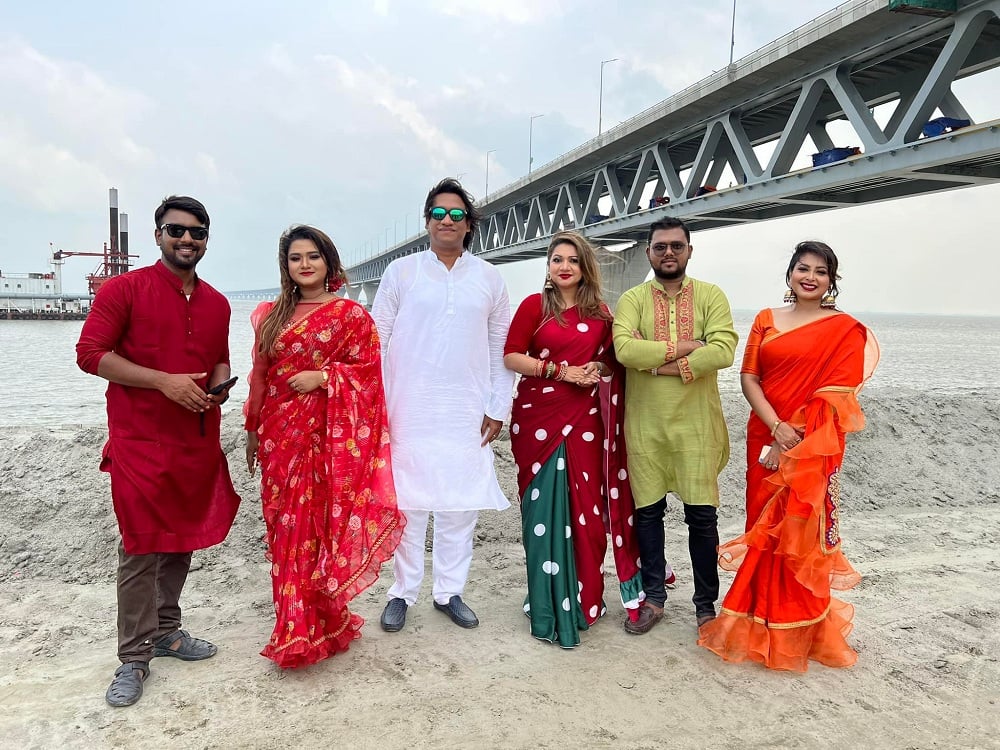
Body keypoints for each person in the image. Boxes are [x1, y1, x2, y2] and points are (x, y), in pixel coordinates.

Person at [76, 195, 241, 708]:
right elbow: (90, 354)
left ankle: (167, 630)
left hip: (195, 440)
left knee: (180, 540)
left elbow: (218, 358)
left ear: (207, 240)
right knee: (141, 545)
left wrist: (219, 387)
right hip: (139, 442)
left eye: (197, 232)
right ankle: (133, 657)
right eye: (176, 230)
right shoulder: (124, 289)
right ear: (158, 235)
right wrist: (163, 382)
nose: (186, 239)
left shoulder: (217, 302)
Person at [698, 240, 878, 671]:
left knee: (800, 531)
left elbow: (835, 394)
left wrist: (789, 439)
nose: (810, 277)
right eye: (803, 268)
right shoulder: (767, 319)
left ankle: (798, 630)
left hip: (813, 443)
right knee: (762, 524)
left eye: (820, 271)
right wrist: (775, 428)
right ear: (790, 274)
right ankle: (756, 621)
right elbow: (749, 378)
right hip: (763, 432)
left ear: (831, 281)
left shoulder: (844, 329)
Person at [243, 225, 403, 668]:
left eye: (313, 256)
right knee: (284, 528)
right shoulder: (270, 315)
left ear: (328, 261)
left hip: (327, 439)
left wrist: (324, 377)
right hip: (280, 435)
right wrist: (252, 428)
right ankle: (294, 622)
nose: (305, 264)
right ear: (286, 266)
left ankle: (319, 623)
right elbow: (260, 376)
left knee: (317, 527)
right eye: (296, 258)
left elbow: (369, 375)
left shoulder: (351, 316)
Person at [372, 178, 515, 632]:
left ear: (469, 224)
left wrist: (498, 407)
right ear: (427, 221)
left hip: (466, 411)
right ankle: (402, 593)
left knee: (459, 506)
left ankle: (449, 592)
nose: (447, 220)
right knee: (409, 506)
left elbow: (500, 348)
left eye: (456, 214)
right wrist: (376, 406)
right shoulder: (402, 272)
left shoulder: (489, 277)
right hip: (408, 409)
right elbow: (376, 341)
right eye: (438, 213)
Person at [503, 231, 643, 648]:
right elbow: (511, 356)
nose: (564, 266)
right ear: (548, 266)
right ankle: (546, 602)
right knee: (541, 510)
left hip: (584, 419)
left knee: (587, 513)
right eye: (557, 259)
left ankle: (584, 600)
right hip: (538, 419)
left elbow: (614, 361)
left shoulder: (601, 314)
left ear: (585, 267)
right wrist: (561, 372)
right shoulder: (534, 306)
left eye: (573, 260)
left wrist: (597, 368)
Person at [613, 217, 738, 634]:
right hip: (645, 424)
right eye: (660, 246)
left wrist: (659, 365)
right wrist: (688, 347)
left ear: (689, 251)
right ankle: (654, 598)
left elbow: (723, 349)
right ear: (649, 252)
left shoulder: (710, 295)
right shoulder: (632, 298)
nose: (669, 253)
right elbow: (624, 350)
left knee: (701, 516)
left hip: (696, 425)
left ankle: (706, 607)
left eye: (676, 246)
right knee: (647, 514)